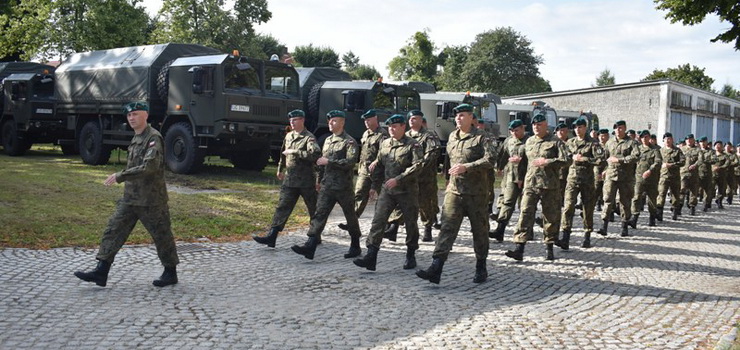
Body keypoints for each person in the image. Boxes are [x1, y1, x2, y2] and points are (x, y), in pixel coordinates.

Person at [74, 101, 179, 287]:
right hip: (130, 199)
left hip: (151, 200)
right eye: (129, 115)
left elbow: (150, 166)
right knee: (113, 230)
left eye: (136, 114)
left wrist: (120, 175)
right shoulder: (136, 137)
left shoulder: (153, 138)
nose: (132, 118)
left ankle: (170, 272)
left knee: (162, 237)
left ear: (145, 115)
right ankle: (101, 271)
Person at [416, 104, 496, 284]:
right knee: (447, 228)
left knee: (480, 231)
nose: (458, 119)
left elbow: (490, 160)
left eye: (462, 115)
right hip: (454, 191)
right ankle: (436, 268)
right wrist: (446, 180)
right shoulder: (452, 136)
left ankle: (481, 267)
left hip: (476, 193)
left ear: (470, 117)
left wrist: (466, 167)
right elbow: (448, 161)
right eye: (457, 116)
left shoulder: (484, 137)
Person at [353, 114, 424, 271]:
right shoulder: (385, 144)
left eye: (394, 126)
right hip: (387, 190)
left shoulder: (413, 145)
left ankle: (411, 254)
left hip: (407, 191)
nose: (391, 129)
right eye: (389, 127)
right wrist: (373, 186)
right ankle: (371, 255)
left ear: (403, 127)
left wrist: (399, 179)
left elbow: (417, 166)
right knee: (378, 221)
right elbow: (379, 167)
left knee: (411, 223)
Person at [291, 110, 361, 260]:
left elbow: (350, 163)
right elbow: (321, 164)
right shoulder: (328, 140)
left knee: (351, 217)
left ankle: (355, 244)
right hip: (327, 186)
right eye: (329, 121)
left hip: (343, 187)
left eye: (334, 121)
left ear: (342, 123)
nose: (330, 123)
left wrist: (330, 162)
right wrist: (318, 180)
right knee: (319, 215)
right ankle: (310, 245)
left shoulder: (349, 142)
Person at [504, 112, 568, 261]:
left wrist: (548, 161)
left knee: (550, 215)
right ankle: (519, 248)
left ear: (546, 126)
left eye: (539, 125)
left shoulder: (555, 141)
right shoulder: (529, 141)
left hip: (549, 185)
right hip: (530, 184)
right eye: (534, 125)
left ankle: (549, 247)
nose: (536, 127)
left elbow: (566, 159)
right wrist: (519, 172)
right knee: (525, 213)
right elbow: (525, 162)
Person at [253, 109, 321, 248]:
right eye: (290, 120)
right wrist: (280, 169)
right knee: (282, 207)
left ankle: (315, 235)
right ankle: (272, 236)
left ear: (302, 120)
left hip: (306, 181)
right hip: (290, 180)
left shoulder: (309, 138)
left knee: (313, 209)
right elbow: (283, 154)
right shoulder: (289, 136)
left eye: (295, 120)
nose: (292, 123)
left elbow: (315, 155)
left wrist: (295, 152)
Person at [384, 110, 441, 242]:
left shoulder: (429, 135)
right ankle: (393, 228)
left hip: (425, 177)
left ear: (421, 120)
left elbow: (433, 153)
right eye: (410, 118)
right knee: (401, 202)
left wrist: (419, 165)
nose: (412, 120)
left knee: (425, 203)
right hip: (407, 177)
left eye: (415, 118)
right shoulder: (405, 136)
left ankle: (427, 228)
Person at [558, 117, 604, 249]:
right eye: (576, 128)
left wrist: (584, 159)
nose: (578, 130)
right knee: (568, 207)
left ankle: (587, 235)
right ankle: (565, 237)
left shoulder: (593, 143)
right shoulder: (570, 143)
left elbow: (601, 160)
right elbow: (564, 158)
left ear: (585, 128)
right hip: (572, 179)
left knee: (587, 209)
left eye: (580, 127)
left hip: (587, 180)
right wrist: (571, 158)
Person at [338, 109, 388, 231]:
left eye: (369, 119)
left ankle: (383, 226)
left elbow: (383, 153)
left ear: (375, 118)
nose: (366, 122)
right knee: (359, 194)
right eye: (365, 120)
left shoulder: (382, 134)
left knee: (381, 199)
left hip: (378, 171)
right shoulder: (365, 134)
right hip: (364, 170)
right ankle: (352, 222)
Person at [597, 120, 640, 237]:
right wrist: (603, 169)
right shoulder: (610, 142)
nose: (618, 130)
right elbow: (604, 157)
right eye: (616, 128)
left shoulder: (632, 143)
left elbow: (636, 156)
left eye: (620, 128)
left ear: (625, 128)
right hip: (611, 176)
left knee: (625, 202)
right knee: (607, 199)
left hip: (625, 177)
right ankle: (604, 226)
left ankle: (624, 226)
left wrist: (620, 160)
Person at [490, 119, 528, 242]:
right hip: (512, 176)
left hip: (527, 177)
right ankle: (500, 230)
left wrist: (521, 160)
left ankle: (527, 230)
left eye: (516, 130)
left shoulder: (530, 141)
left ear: (523, 128)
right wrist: (499, 167)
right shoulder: (509, 141)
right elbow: (503, 154)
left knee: (526, 206)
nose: (514, 133)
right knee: (507, 202)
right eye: (512, 131)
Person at [628, 130, 663, 229]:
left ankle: (652, 218)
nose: (644, 139)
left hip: (652, 179)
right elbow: (632, 161)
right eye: (642, 137)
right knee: (636, 198)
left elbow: (658, 162)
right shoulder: (638, 149)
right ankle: (634, 219)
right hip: (639, 178)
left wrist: (650, 170)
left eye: (646, 137)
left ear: (649, 138)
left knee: (652, 199)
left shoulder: (655, 150)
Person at [656, 132, 685, 221]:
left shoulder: (677, 150)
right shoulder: (660, 151)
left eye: (669, 139)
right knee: (661, 194)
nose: (668, 141)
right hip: (663, 176)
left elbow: (683, 162)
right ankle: (659, 212)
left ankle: (675, 211)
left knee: (675, 195)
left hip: (674, 176)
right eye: (666, 139)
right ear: (663, 141)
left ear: (672, 140)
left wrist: (671, 165)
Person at [698, 136, 717, 211]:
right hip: (697, 173)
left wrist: (706, 161)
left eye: (704, 142)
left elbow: (715, 159)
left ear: (706, 142)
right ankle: (691, 204)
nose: (702, 144)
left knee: (707, 190)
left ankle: (705, 204)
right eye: (701, 142)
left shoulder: (711, 151)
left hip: (707, 173)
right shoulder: (697, 151)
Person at [594, 128, 610, 212]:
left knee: (608, 190)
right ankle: (597, 203)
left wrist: (606, 169)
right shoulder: (595, 146)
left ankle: (609, 210)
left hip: (608, 170)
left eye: (604, 136)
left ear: (608, 136)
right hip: (597, 170)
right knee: (596, 188)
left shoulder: (610, 146)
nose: (602, 138)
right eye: (601, 136)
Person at [712, 141, 729, 209]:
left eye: (720, 145)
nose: (718, 147)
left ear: (722, 147)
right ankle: (708, 202)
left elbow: (727, 164)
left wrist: (720, 167)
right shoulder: (712, 154)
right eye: (716, 145)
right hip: (712, 175)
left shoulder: (725, 156)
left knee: (721, 189)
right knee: (711, 189)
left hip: (722, 175)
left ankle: (719, 202)